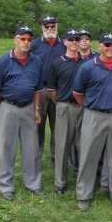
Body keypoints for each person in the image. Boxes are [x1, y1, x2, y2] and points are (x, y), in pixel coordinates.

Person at [73, 33, 112, 211]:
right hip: (94, 115)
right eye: (107, 44)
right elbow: (77, 92)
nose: (110, 48)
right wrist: (90, 107)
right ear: (100, 45)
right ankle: (83, 195)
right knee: (89, 155)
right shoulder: (88, 67)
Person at [0, 26, 43, 200]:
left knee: (31, 148)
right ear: (15, 39)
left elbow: (37, 89)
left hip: (28, 107)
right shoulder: (3, 61)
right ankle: (5, 186)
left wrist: (36, 109)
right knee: (6, 147)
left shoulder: (36, 61)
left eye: (29, 39)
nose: (26, 42)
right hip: (8, 107)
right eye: (22, 38)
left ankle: (32, 183)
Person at [47, 29, 84, 194]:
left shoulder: (87, 62)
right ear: (65, 42)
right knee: (62, 145)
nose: (75, 42)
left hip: (83, 107)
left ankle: (82, 179)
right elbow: (52, 90)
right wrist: (62, 103)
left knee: (83, 144)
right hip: (64, 106)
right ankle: (60, 182)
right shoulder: (57, 63)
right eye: (71, 39)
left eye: (77, 39)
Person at [30, 15, 66, 163]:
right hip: (40, 90)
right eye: (47, 26)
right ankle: (35, 157)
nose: (50, 29)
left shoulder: (64, 44)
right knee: (37, 125)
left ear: (57, 26)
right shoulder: (34, 45)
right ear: (42, 27)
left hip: (58, 91)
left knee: (58, 127)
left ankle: (56, 156)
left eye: (52, 26)